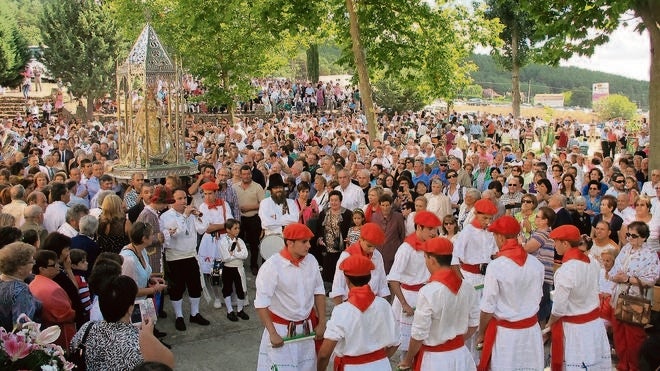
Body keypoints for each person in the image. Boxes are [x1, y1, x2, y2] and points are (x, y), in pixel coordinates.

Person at [398, 237, 479, 371]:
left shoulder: (428, 292)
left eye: (425, 258)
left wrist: (408, 359)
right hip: (461, 355)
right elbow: (474, 323)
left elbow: (419, 334)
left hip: (434, 360)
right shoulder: (468, 287)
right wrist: (454, 341)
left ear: (432, 260)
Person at [254, 223, 326, 371]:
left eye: (309, 241)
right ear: (290, 243)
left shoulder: (311, 260)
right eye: (304, 242)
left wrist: (322, 322)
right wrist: (273, 333)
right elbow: (261, 304)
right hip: (281, 331)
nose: (309, 246)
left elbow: (319, 291)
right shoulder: (271, 267)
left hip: (307, 330)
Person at [476, 216, 545, 371]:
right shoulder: (536, 264)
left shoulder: (496, 266)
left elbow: (488, 306)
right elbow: (539, 296)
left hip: (506, 335)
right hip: (531, 332)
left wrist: (481, 333)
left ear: (500, 237)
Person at [70, 275, 175, 370]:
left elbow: (73, 348)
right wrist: (148, 337)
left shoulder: (87, 328)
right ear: (130, 309)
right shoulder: (139, 342)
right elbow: (167, 364)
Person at [546, 225, 611, 370]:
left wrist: (549, 323)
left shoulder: (566, 270)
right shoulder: (592, 262)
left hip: (574, 330)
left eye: (556, 241)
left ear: (565, 243)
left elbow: (559, 308)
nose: (554, 245)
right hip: (593, 324)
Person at [318, 255, 399, 371]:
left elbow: (324, 354)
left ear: (347, 279)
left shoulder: (342, 311)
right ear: (370, 277)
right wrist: (377, 360)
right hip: (381, 365)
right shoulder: (384, 305)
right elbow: (396, 342)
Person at [387, 210, 441, 362]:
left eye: (435, 229)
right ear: (418, 228)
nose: (434, 232)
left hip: (426, 296)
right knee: (404, 343)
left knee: (424, 339)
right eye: (430, 229)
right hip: (409, 297)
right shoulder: (406, 249)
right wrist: (404, 303)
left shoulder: (432, 246)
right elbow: (393, 278)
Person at [608, 221, 660, 371]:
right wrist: (614, 276)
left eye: (634, 235)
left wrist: (628, 279)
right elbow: (615, 268)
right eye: (628, 234)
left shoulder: (650, 254)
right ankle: (623, 363)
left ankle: (635, 366)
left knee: (634, 335)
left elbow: (651, 279)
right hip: (619, 295)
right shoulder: (626, 249)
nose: (630, 238)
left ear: (644, 237)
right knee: (619, 332)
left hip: (636, 299)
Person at [160, 188, 209, 331]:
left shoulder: (190, 214)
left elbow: (202, 229)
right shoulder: (166, 216)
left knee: (195, 286)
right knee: (177, 288)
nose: (184, 201)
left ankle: (195, 313)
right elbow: (175, 233)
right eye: (179, 199)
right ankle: (179, 316)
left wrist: (199, 216)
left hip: (191, 254)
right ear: (172, 201)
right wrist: (185, 216)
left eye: (184, 198)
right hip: (175, 257)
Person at [330, 222, 390, 305]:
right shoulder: (346, 256)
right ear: (360, 239)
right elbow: (338, 287)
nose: (372, 250)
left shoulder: (377, 255)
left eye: (375, 246)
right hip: (351, 305)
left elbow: (382, 284)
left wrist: (383, 307)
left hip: (374, 304)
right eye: (369, 246)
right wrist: (340, 310)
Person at [29, 249, 76, 348]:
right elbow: (66, 314)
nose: (58, 267)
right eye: (53, 265)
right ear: (42, 269)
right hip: (59, 335)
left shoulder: (34, 283)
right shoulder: (52, 289)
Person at [523, 206, 556, 326]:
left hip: (540, 277)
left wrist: (519, 242)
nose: (535, 219)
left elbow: (527, 248)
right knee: (540, 311)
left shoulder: (542, 234)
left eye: (538, 217)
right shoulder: (545, 233)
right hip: (543, 277)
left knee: (537, 310)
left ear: (545, 221)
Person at [233, 164, 265, 276]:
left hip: (253, 219)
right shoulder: (235, 187)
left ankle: (254, 265)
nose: (246, 176)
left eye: (248, 174)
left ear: (251, 174)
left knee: (254, 243)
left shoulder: (258, 187)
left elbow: (263, 203)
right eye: (244, 174)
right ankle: (238, 263)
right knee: (238, 242)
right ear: (240, 175)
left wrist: (249, 207)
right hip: (239, 219)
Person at [0, 242, 39, 331]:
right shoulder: (21, 290)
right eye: (31, 261)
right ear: (20, 268)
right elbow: (23, 328)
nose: (34, 263)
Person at [316, 190, 353, 283]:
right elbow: (319, 228)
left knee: (340, 269)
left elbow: (351, 228)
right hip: (326, 246)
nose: (333, 202)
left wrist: (349, 239)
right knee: (327, 269)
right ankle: (328, 288)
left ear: (340, 201)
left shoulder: (348, 214)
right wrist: (320, 238)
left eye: (336, 200)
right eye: (331, 200)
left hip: (341, 247)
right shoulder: (324, 213)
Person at [218, 218, 250, 322]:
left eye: (238, 228)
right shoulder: (223, 241)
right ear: (228, 229)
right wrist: (236, 255)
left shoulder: (240, 241)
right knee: (227, 289)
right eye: (235, 228)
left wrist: (234, 254)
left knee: (241, 289)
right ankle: (230, 311)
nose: (238, 230)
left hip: (239, 268)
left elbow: (245, 255)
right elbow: (225, 257)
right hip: (228, 268)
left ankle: (240, 310)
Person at [371, 194, 406, 273]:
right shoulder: (374, 217)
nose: (385, 208)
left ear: (391, 205)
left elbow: (402, 235)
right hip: (378, 252)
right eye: (383, 205)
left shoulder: (398, 217)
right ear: (379, 205)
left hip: (393, 253)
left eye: (387, 205)